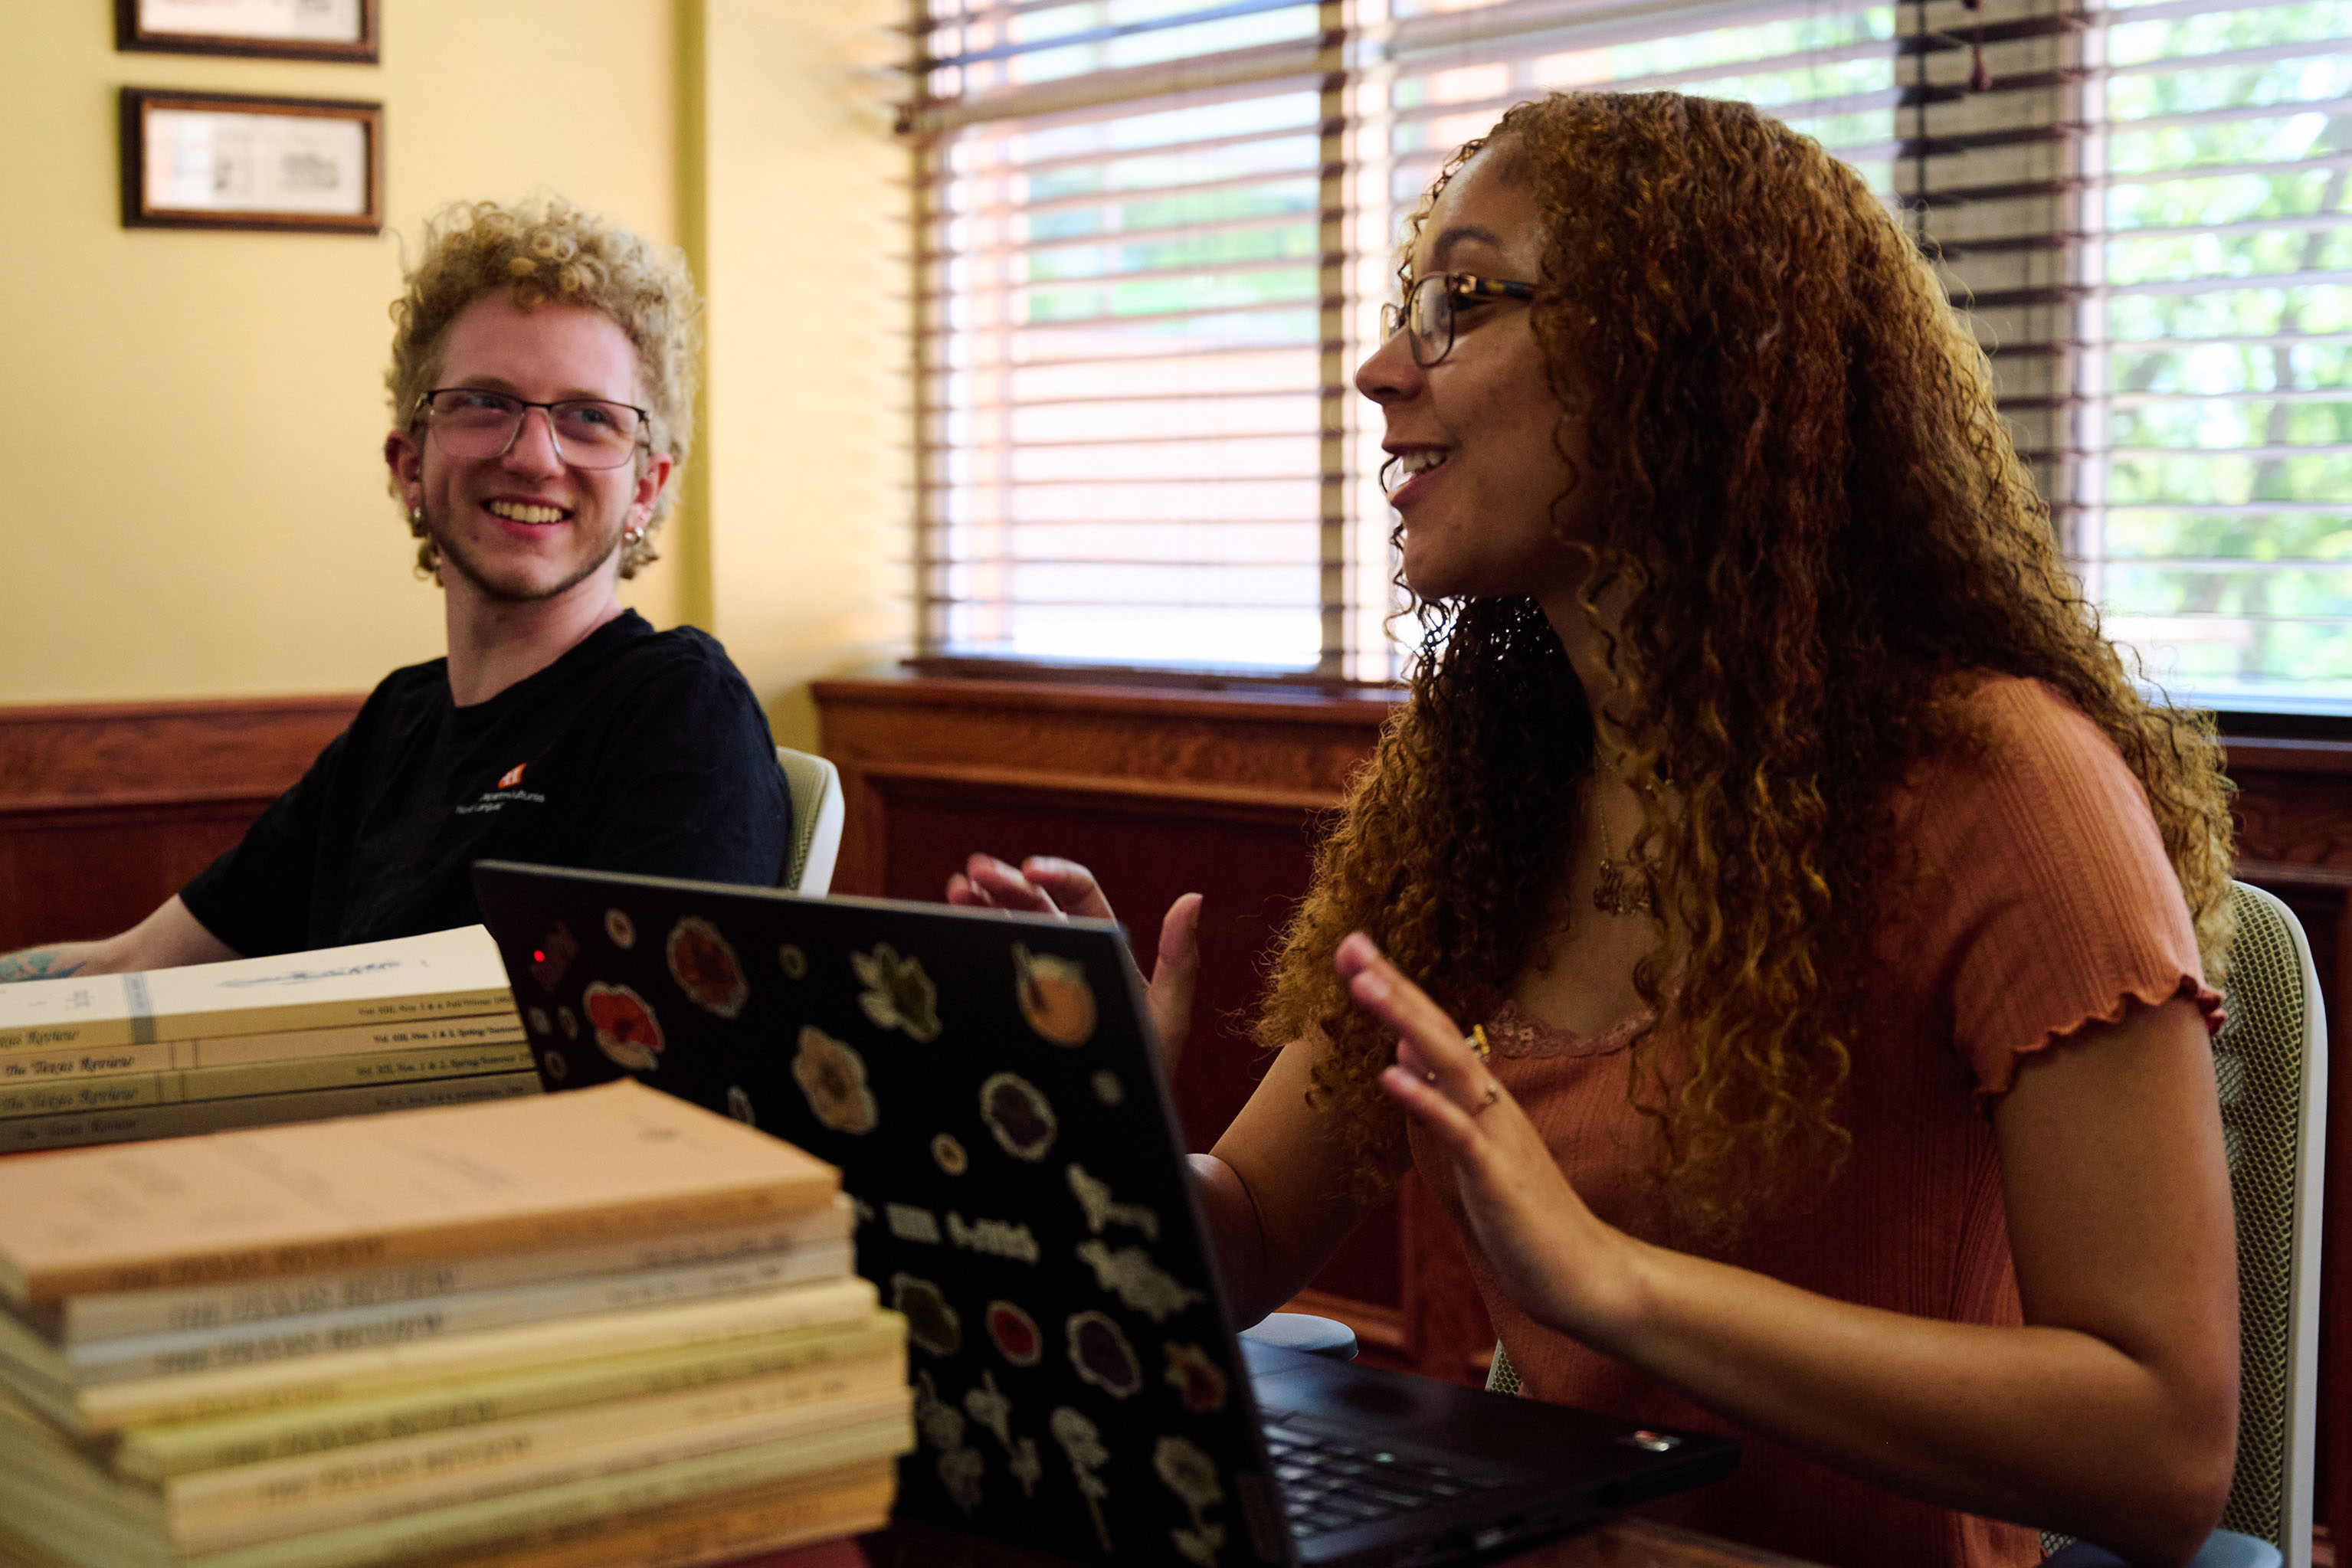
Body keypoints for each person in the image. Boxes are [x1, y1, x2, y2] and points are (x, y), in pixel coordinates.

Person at [949, 92, 2241, 1568]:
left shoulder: (2002, 783)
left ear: (1688, 366)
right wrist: (1091, 1117)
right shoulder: (1490, 794)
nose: (1381, 370)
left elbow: (2164, 1447)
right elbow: (1237, 1235)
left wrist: (1610, 1281)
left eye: (1463, 302)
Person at [0, 198, 788, 982]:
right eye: (486, 404)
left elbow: (661, 1058)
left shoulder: (678, 708)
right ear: (409, 465)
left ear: (646, 488)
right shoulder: (395, 726)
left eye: (589, 418)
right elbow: (133, 964)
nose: (535, 456)